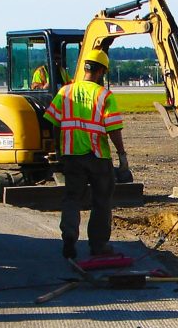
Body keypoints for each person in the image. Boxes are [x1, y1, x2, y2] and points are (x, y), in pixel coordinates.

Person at [42, 49, 130, 259]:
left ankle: (69, 237)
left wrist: (58, 148)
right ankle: (99, 245)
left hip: (71, 155)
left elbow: (53, 122)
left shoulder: (65, 92)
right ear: (101, 71)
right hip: (98, 155)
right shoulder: (104, 95)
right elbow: (113, 129)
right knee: (102, 200)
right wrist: (122, 154)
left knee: (72, 198)